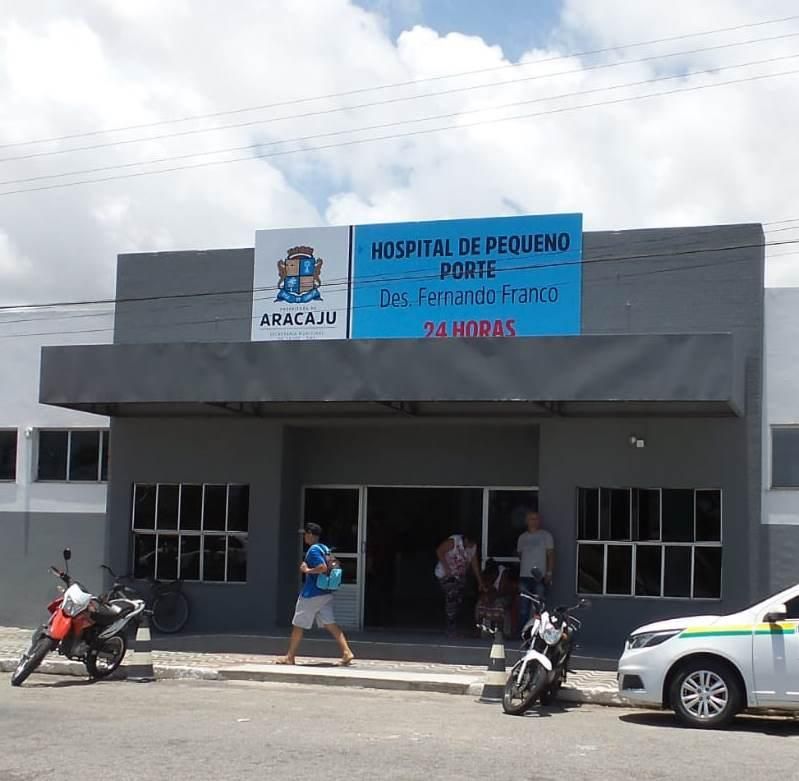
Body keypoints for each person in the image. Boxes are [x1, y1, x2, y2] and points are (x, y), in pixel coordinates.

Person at [276, 522, 354, 666]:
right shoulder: (325, 548)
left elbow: (323, 567)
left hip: (311, 594)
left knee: (298, 625)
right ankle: (346, 652)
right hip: (326, 593)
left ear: (311, 534)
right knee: (330, 624)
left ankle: (290, 657)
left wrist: (307, 571)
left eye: (305, 534)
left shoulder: (313, 550)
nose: (304, 536)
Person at [435, 533, 485, 638]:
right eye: (469, 544)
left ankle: (455, 625)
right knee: (452, 598)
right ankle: (451, 628)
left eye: (473, 544)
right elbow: (439, 551)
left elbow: (474, 564)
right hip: (446, 575)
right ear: (465, 540)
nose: (470, 546)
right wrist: (447, 568)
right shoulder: (454, 541)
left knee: (458, 600)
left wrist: (480, 582)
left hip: (459, 576)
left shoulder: (473, 547)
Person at [516, 509, 555, 626]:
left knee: (539, 607)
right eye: (532, 519)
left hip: (539, 576)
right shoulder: (522, 538)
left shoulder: (546, 536)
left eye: (537, 519)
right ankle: (522, 633)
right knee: (523, 606)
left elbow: (551, 555)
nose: (534, 521)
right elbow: (520, 555)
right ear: (527, 521)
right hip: (524, 576)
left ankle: (540, 633)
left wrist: (549, 573)